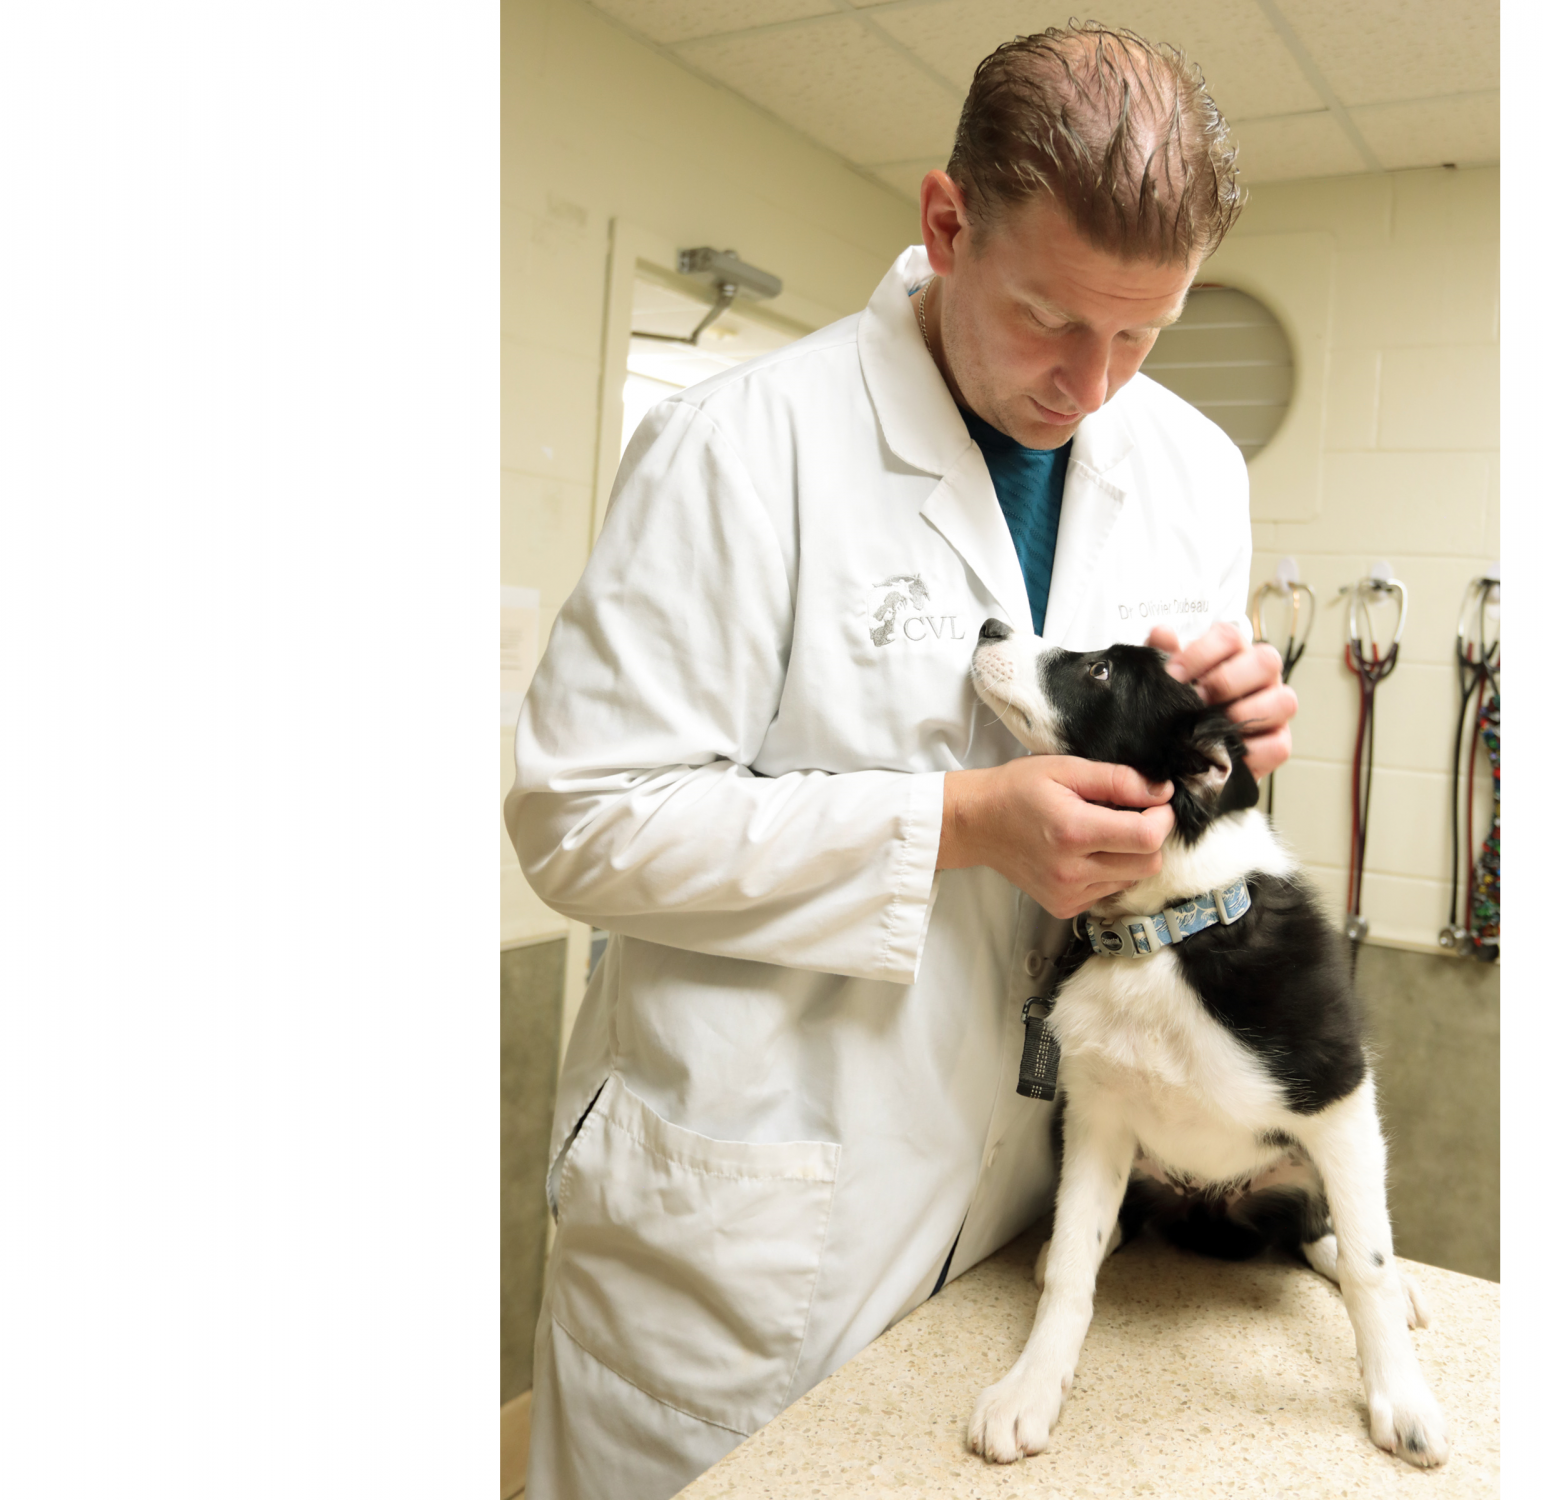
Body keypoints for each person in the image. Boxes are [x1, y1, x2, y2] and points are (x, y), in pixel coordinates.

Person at [505, 24, 1298, 1497]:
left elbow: (1175, 818)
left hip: (1022, 1211)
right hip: (755, 1228)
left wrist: (1224, 763)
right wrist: (955, 824)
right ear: (946, 226)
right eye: (1052, 318)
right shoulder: (745, 445)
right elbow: (580, 823)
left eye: (1142, 335)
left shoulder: (1193, 470)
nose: (1094, 384)